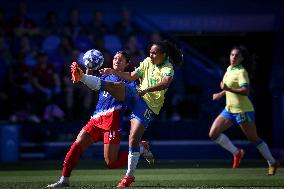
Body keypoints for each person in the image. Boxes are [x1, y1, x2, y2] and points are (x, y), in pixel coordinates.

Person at [71, 40, 183, 187]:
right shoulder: (148, 61)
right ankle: (82, 78)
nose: (151, 55)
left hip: (148, 105)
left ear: (163, 55)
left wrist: (148, 89)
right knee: (114, 86)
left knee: (133, 139)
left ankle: (129, 175)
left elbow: (166, 82)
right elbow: (131, 76)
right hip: (136, 95)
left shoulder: (168, 67)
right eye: (150, 52)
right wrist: (112, 71)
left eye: (154, 53)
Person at [47, 51, 154, 188]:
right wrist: (88, 69)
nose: (116, 61)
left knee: (111, 163)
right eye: (115, 58)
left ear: (127, 64)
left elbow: (120, 92)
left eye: (120, 60)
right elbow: (93, 85)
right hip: (96, 119)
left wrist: (84, 77)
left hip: (112, 123)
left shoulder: (129, 80)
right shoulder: (106, 74)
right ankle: (64, 180)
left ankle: (140, 147)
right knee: (76, 146)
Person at [208, 45, 280, 176]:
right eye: (232, 55)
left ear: (242, 59)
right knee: (213, 134)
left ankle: (272, 162)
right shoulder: (229, 68)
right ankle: (237, 153)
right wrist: (221, 93)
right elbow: (228, 86)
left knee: (254, 139)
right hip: (229, 110)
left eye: (237, 55)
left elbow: (245, 91)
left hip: (243, 111)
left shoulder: (242, 72)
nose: (234, 57)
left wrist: (228, 89)